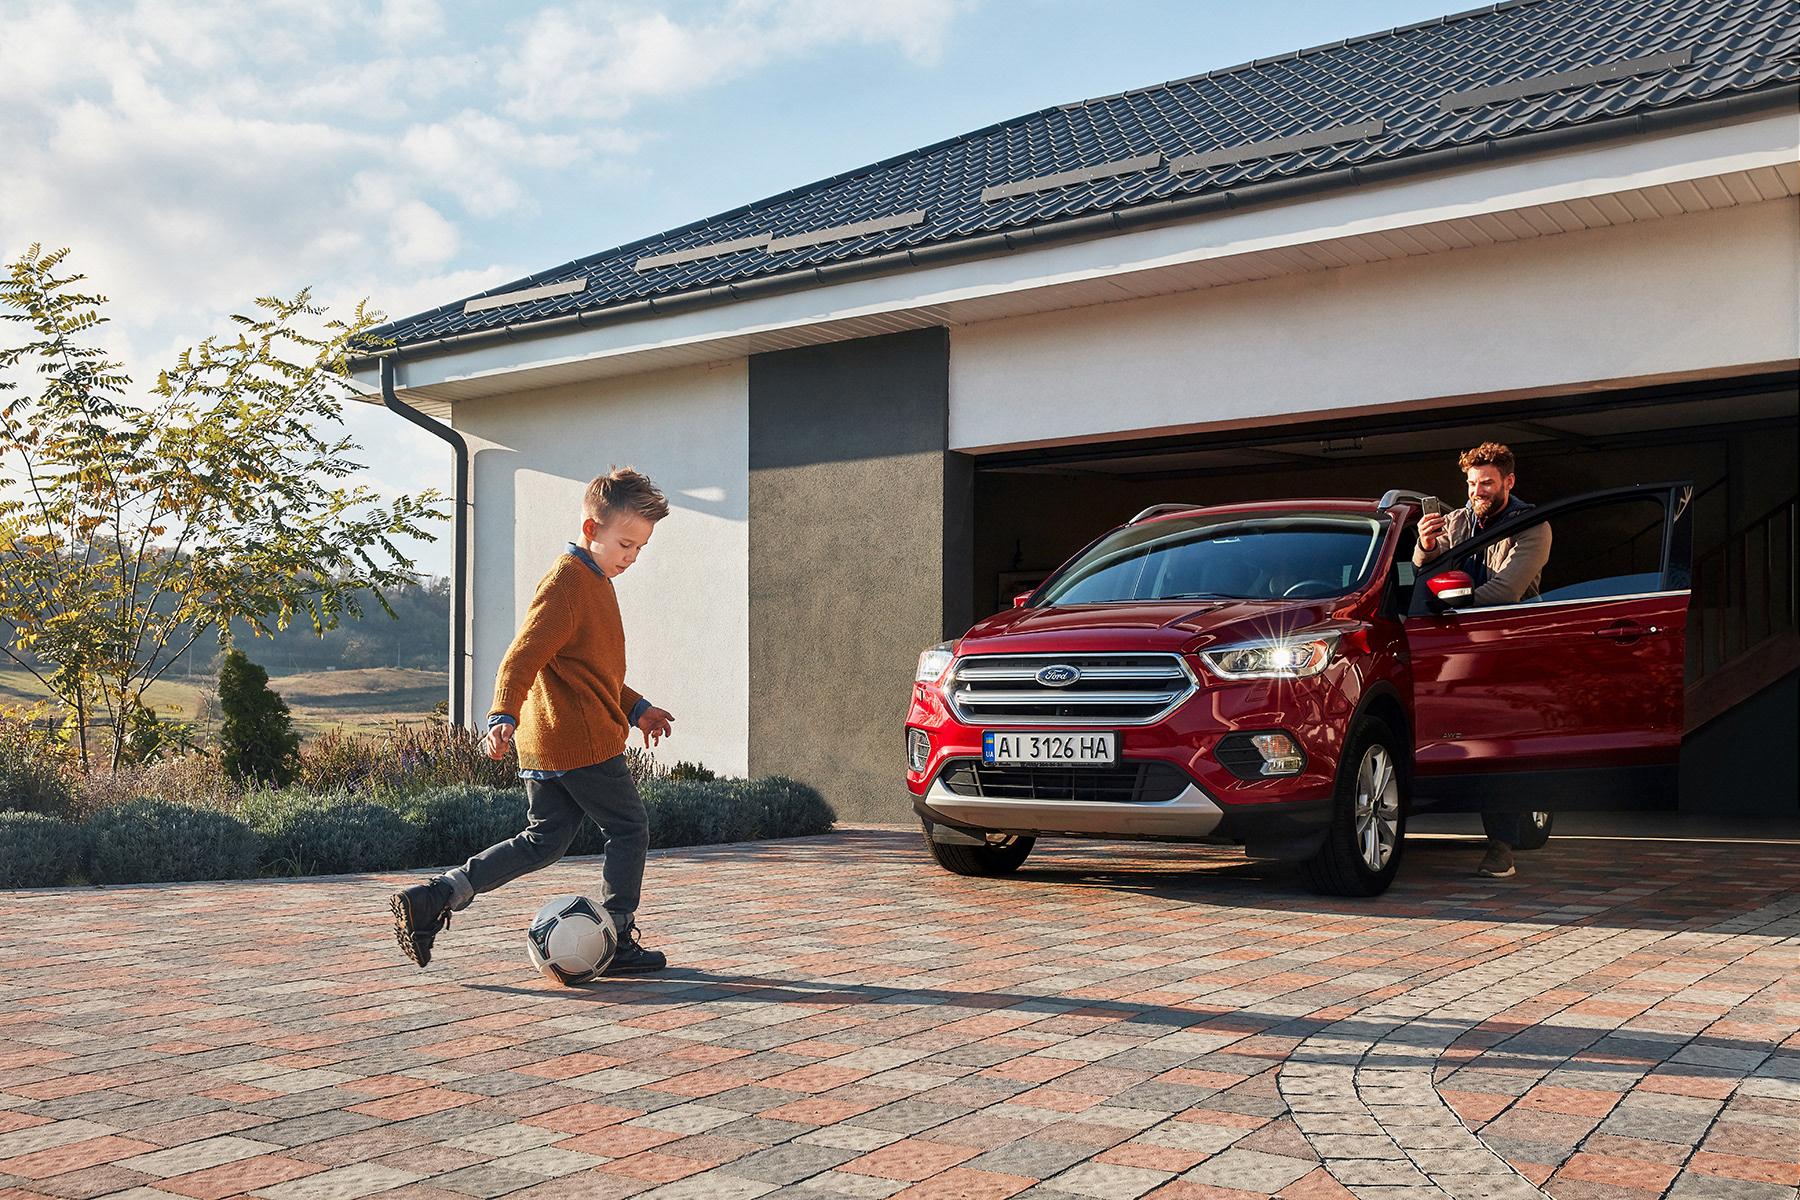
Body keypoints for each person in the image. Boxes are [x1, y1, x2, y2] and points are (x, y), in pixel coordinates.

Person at [389, 467, 676, 972]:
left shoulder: (595, 580)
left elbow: (590, 674)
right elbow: (521, 655)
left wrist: (637, 709)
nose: (631, 557)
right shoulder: (568, 582)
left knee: (544, 841)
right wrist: (502, 712)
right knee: (630, 829)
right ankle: (616, 938)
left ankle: (438, 894)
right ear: (591, 529)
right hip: (582, 741)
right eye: (625, 544)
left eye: (640, 549)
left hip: (552, 743)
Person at [1413, 442, 1551, 880]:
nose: (1477, 491)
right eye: (1472, 484)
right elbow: (1425, 572)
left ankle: (1501, 846)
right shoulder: (1456, 521)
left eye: (1487, 483)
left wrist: (1447, 606)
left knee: (1500, 745)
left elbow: (1505, 592)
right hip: (1455, 647)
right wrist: (1426, 546)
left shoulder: (1533, 526)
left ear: (1509, 481)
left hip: (1509, 647)